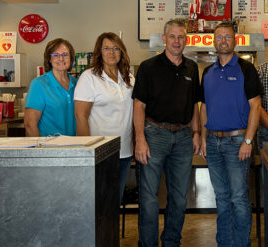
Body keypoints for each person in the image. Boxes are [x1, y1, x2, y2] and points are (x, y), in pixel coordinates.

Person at [132, 19, 201, 246]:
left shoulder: (192, 67)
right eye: (172, 36)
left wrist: (196, 133)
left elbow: (194, 105)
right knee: (149, 199)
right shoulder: (148, 67)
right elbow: (139, 106)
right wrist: (140, 139)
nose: (177, 41)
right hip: (154, 135)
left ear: (186, 40)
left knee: (179, 199)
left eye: (181, 37)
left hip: (182, 138)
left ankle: (171, 242)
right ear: (164, 39)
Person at [200, 22, 262, 246]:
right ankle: (225, 242)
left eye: (228, 37)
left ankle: (241, 243)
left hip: (238, 141)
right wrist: (205, 137)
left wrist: (248, 140)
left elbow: (255, 106)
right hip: (213, 141)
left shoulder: (246, 69)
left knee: (238, 197)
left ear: (235, 41)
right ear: (213, 41)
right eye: (219, 37)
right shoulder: (208, 72)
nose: (223, 40)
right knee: (222, 198)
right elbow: (204, 107)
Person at [74, 32, 135, 204]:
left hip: (124, 150)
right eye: (106, 48)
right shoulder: (89, 77)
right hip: (100, 152)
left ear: (122, 51)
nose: (111, 52)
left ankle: (111, 233)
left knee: (115, 200)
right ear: (99, 52)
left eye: (116, 48)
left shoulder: (128, 78)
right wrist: (87, 151)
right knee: (99, 202)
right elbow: (80, 115)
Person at [25, 38, 77, 137]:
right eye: (55, 55)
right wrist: (39, 151)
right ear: (49, 58)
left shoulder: (77, 83)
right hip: (49, 148)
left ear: (71, 58)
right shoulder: (38, 84)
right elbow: (30, 125)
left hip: (75, 147)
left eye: (65, 55)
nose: (61, 59)